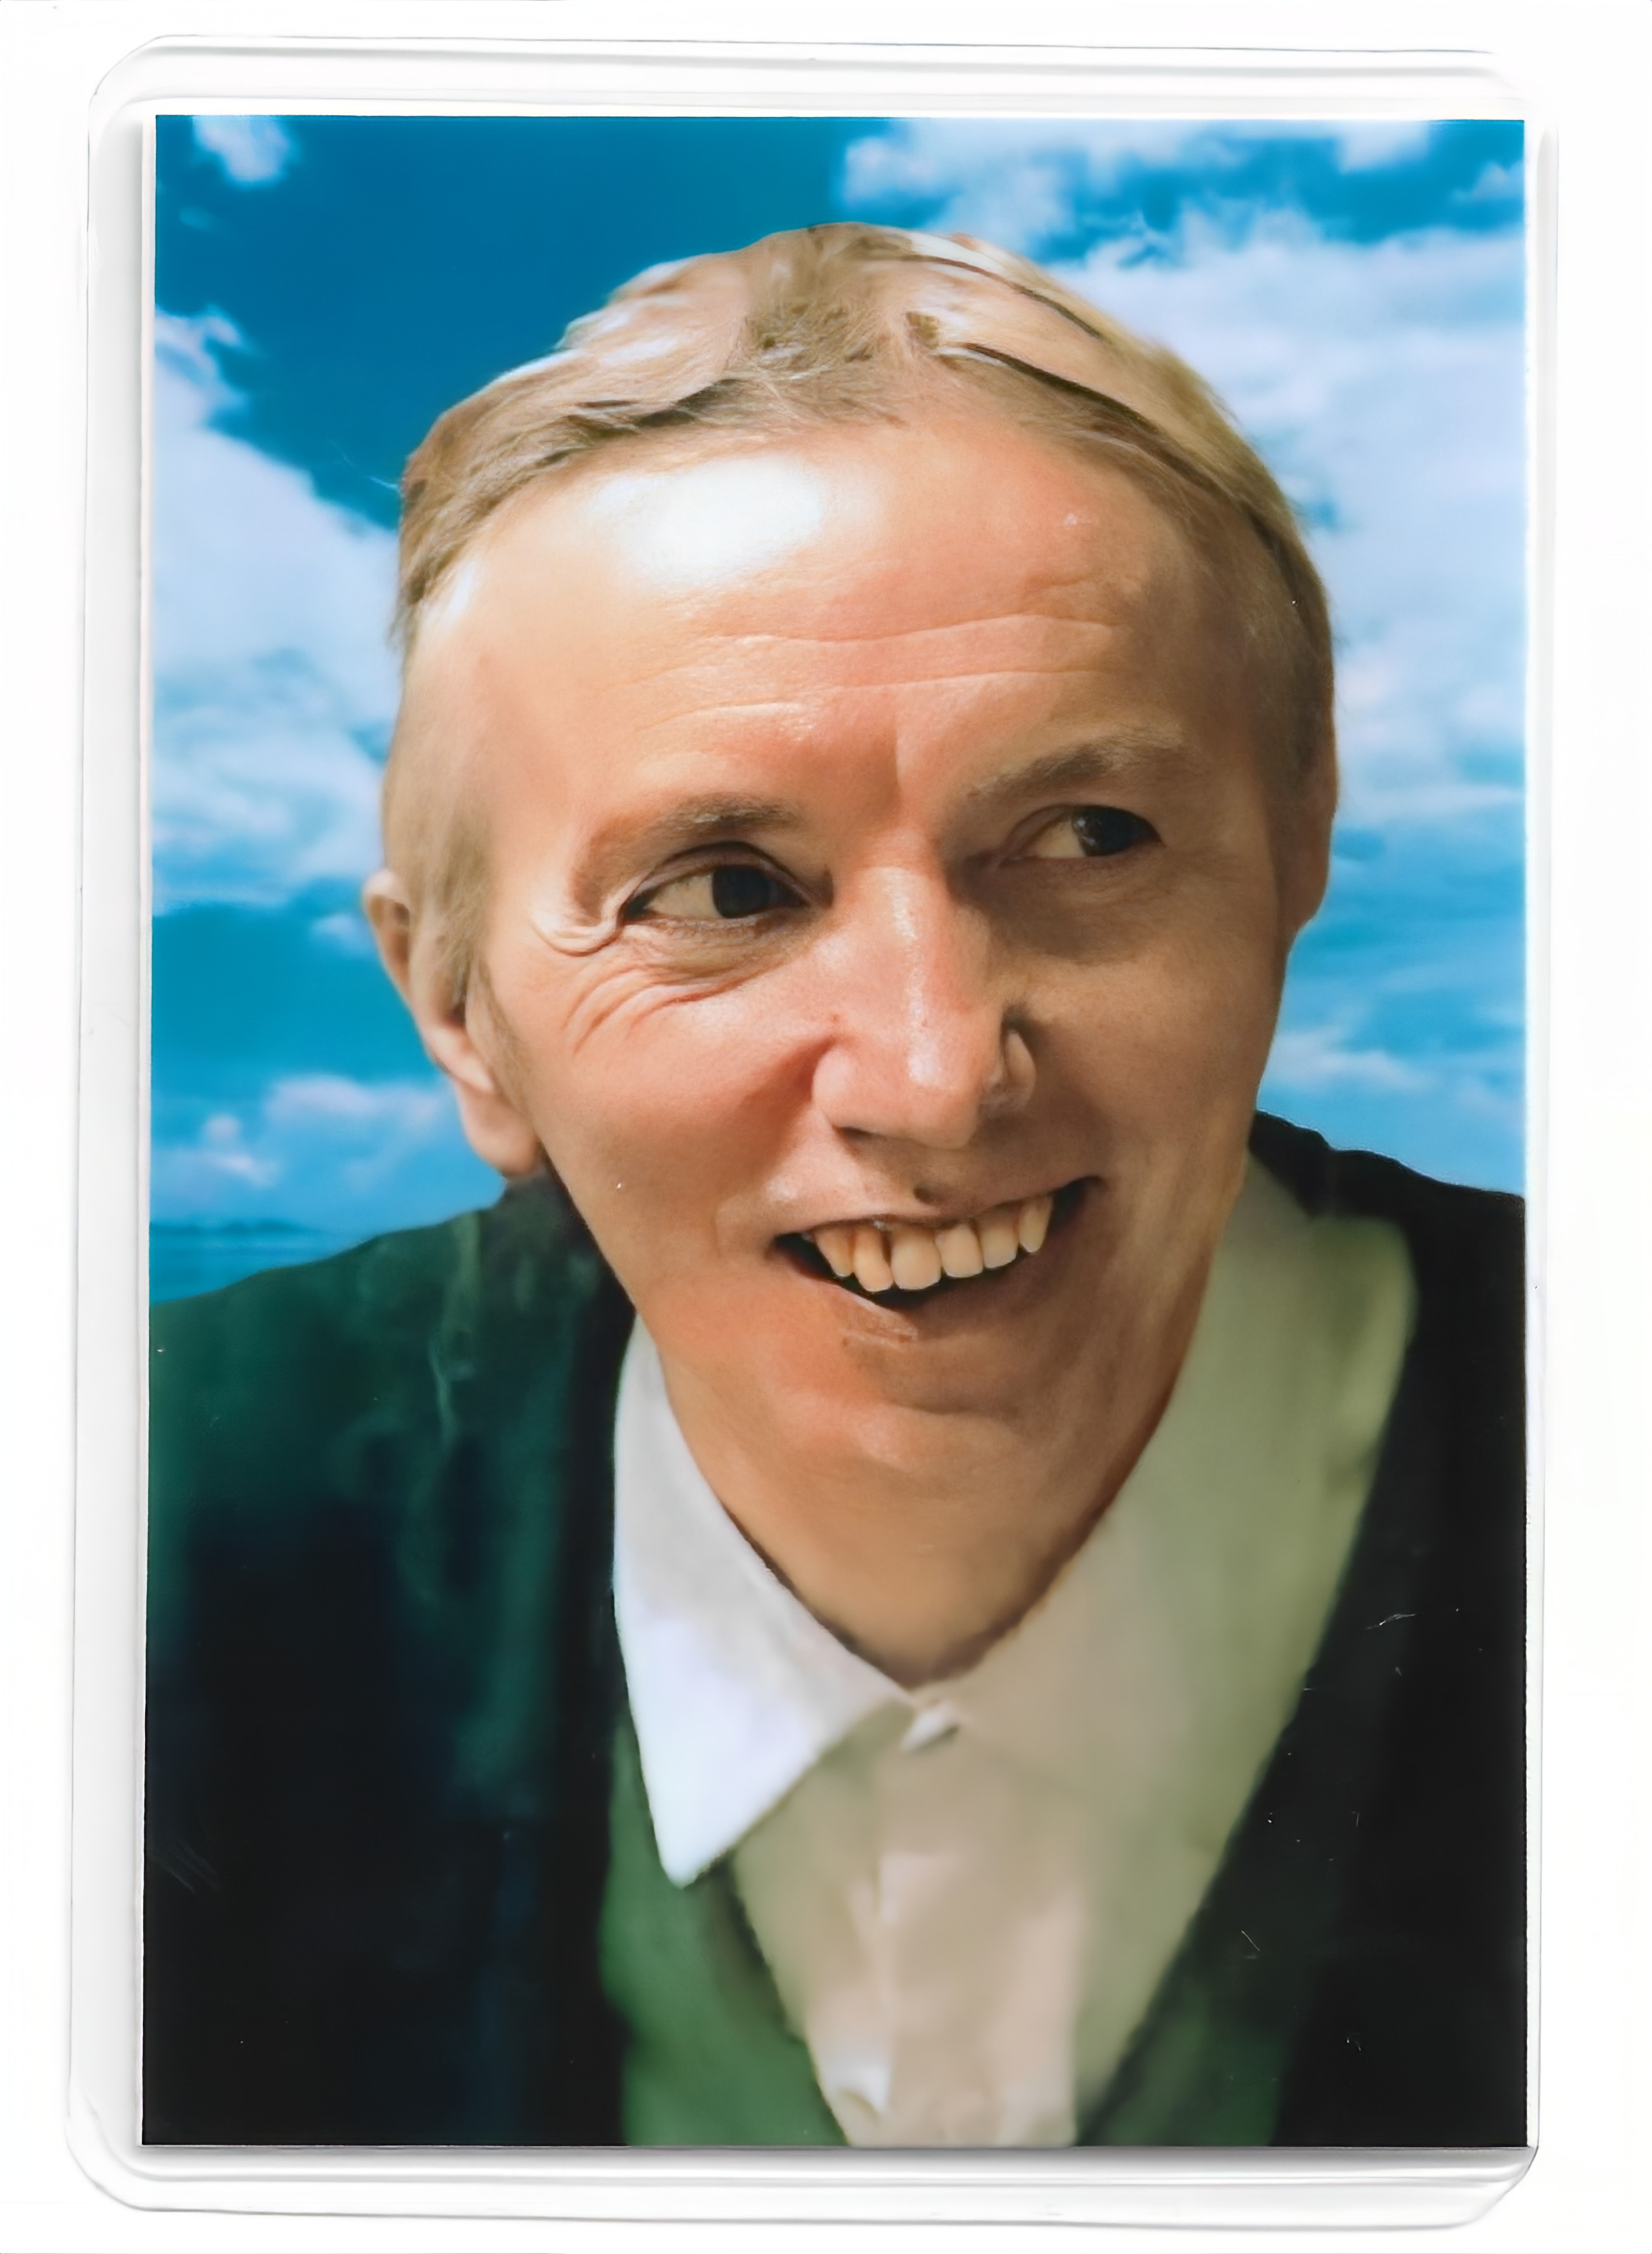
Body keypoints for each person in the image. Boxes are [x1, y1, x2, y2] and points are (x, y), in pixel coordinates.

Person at [143, 223, 1525, 2150]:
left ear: (1298, 856)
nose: (937, 1075)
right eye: (725, 890)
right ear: (460, 1016)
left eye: (1089, 835)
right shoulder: (130, 1526)